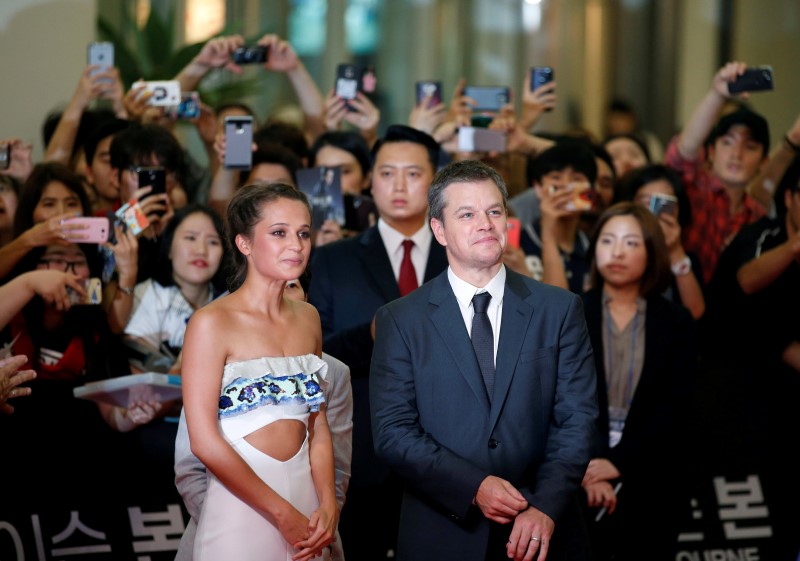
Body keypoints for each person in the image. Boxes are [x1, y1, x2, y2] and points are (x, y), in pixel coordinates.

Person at [369, 159, 598, 561]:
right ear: (439, 229)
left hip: (540, 529)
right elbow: (393, 432)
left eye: (494, 211)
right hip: (441, 530)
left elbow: (577, 420)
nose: (486, 224)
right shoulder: (401, 319)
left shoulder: (559, 309)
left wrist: (545, 506)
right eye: (467, 214)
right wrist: (473, 486)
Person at [308, 124, 448, 561]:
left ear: (436, 181)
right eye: (387, 173)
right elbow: (314, 355)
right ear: (370, 181)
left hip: (449, 454)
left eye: (413, 173)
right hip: (362, 453)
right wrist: (371, 334)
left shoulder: (462, 256)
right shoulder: (332, 260)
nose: (399, 186)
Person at [181, 183, 337, 561]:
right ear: (244, 243)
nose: (296, 245)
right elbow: (203, 441)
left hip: (307, 507)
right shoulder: (210, 322)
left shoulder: (309, 318)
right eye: (279, 232)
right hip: (239, 511)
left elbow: (317, 425)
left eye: (303, 233)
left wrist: (329, 503)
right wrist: (281, 514)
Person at [174, 269, 353, 561]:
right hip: (233, 522)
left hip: (310, 529)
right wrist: (237, 517)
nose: (280, 295)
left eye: (292, 286)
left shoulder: (333, 368)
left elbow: (336, 458)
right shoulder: (211, 334)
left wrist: (325, 515)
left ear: (306, 295)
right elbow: (191, 465)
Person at [579, 202, 697, 560]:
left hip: (653, 479)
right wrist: (589, 468)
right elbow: (558, 401)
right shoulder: (570, 312)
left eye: (631, 243)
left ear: (652, 251)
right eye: (607, 241)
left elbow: (678, 407)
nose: (617, 252)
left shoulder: (675, 321)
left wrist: (619, 462)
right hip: (577, 479)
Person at [664, 61, 772, 284]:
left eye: (750, 147)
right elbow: (680, 156)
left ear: (763, 162)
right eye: (727, 142)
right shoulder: (693, 191)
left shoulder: (759, 216)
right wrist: (717, 94)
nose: (736, 154)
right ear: (710, 152)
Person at [614, 164, 706, 319]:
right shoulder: (615, 252)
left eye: (663, 204)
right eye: (646, 203)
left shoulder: (687, 259)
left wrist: (675, 251)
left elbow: (695, 312)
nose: (653, 212)